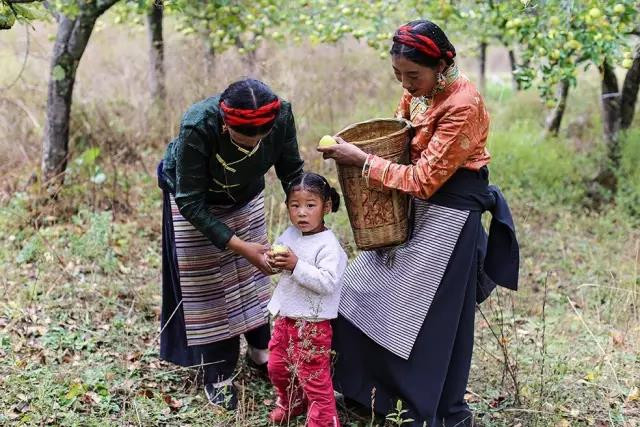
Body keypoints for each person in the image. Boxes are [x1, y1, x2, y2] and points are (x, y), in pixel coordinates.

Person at [318, 20, 519, 426]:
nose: (406, 85)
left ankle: (423, 407)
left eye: (414, 75)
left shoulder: (463, 104)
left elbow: (426, 179)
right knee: (362, 289)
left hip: (450, 214)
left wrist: (362, 161)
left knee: (428, 317)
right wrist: (370, 151)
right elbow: (401, 135)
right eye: (398, 75)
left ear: (442, 65)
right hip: (412, 205)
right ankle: (370, 392)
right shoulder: (419, 93)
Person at [157, 78, 304, 409]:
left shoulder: (281, 117)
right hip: (195, 201)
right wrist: (242, 247)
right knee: (210, 286)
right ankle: (218, 371)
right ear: (224, 124)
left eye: (259, 139)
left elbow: (291, 170)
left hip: (244, 195)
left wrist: (303, 215)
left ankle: (260, 351)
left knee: (253, 280)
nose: (252, 146)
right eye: (242, 140)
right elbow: (190, 202)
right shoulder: (199, 125)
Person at [265, 172, 347, 427]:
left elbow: (327, 283)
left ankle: (324, 420)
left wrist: (296, 264)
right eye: (295, 205)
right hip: (286, 317)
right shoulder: (289, 235)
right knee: (278, 367)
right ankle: (292, 400)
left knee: (313, 376)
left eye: (310, 205)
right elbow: (281, 261)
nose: (302, 212)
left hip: (312, 324)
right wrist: (273, 261)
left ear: (327, 206)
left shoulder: (329, 246)